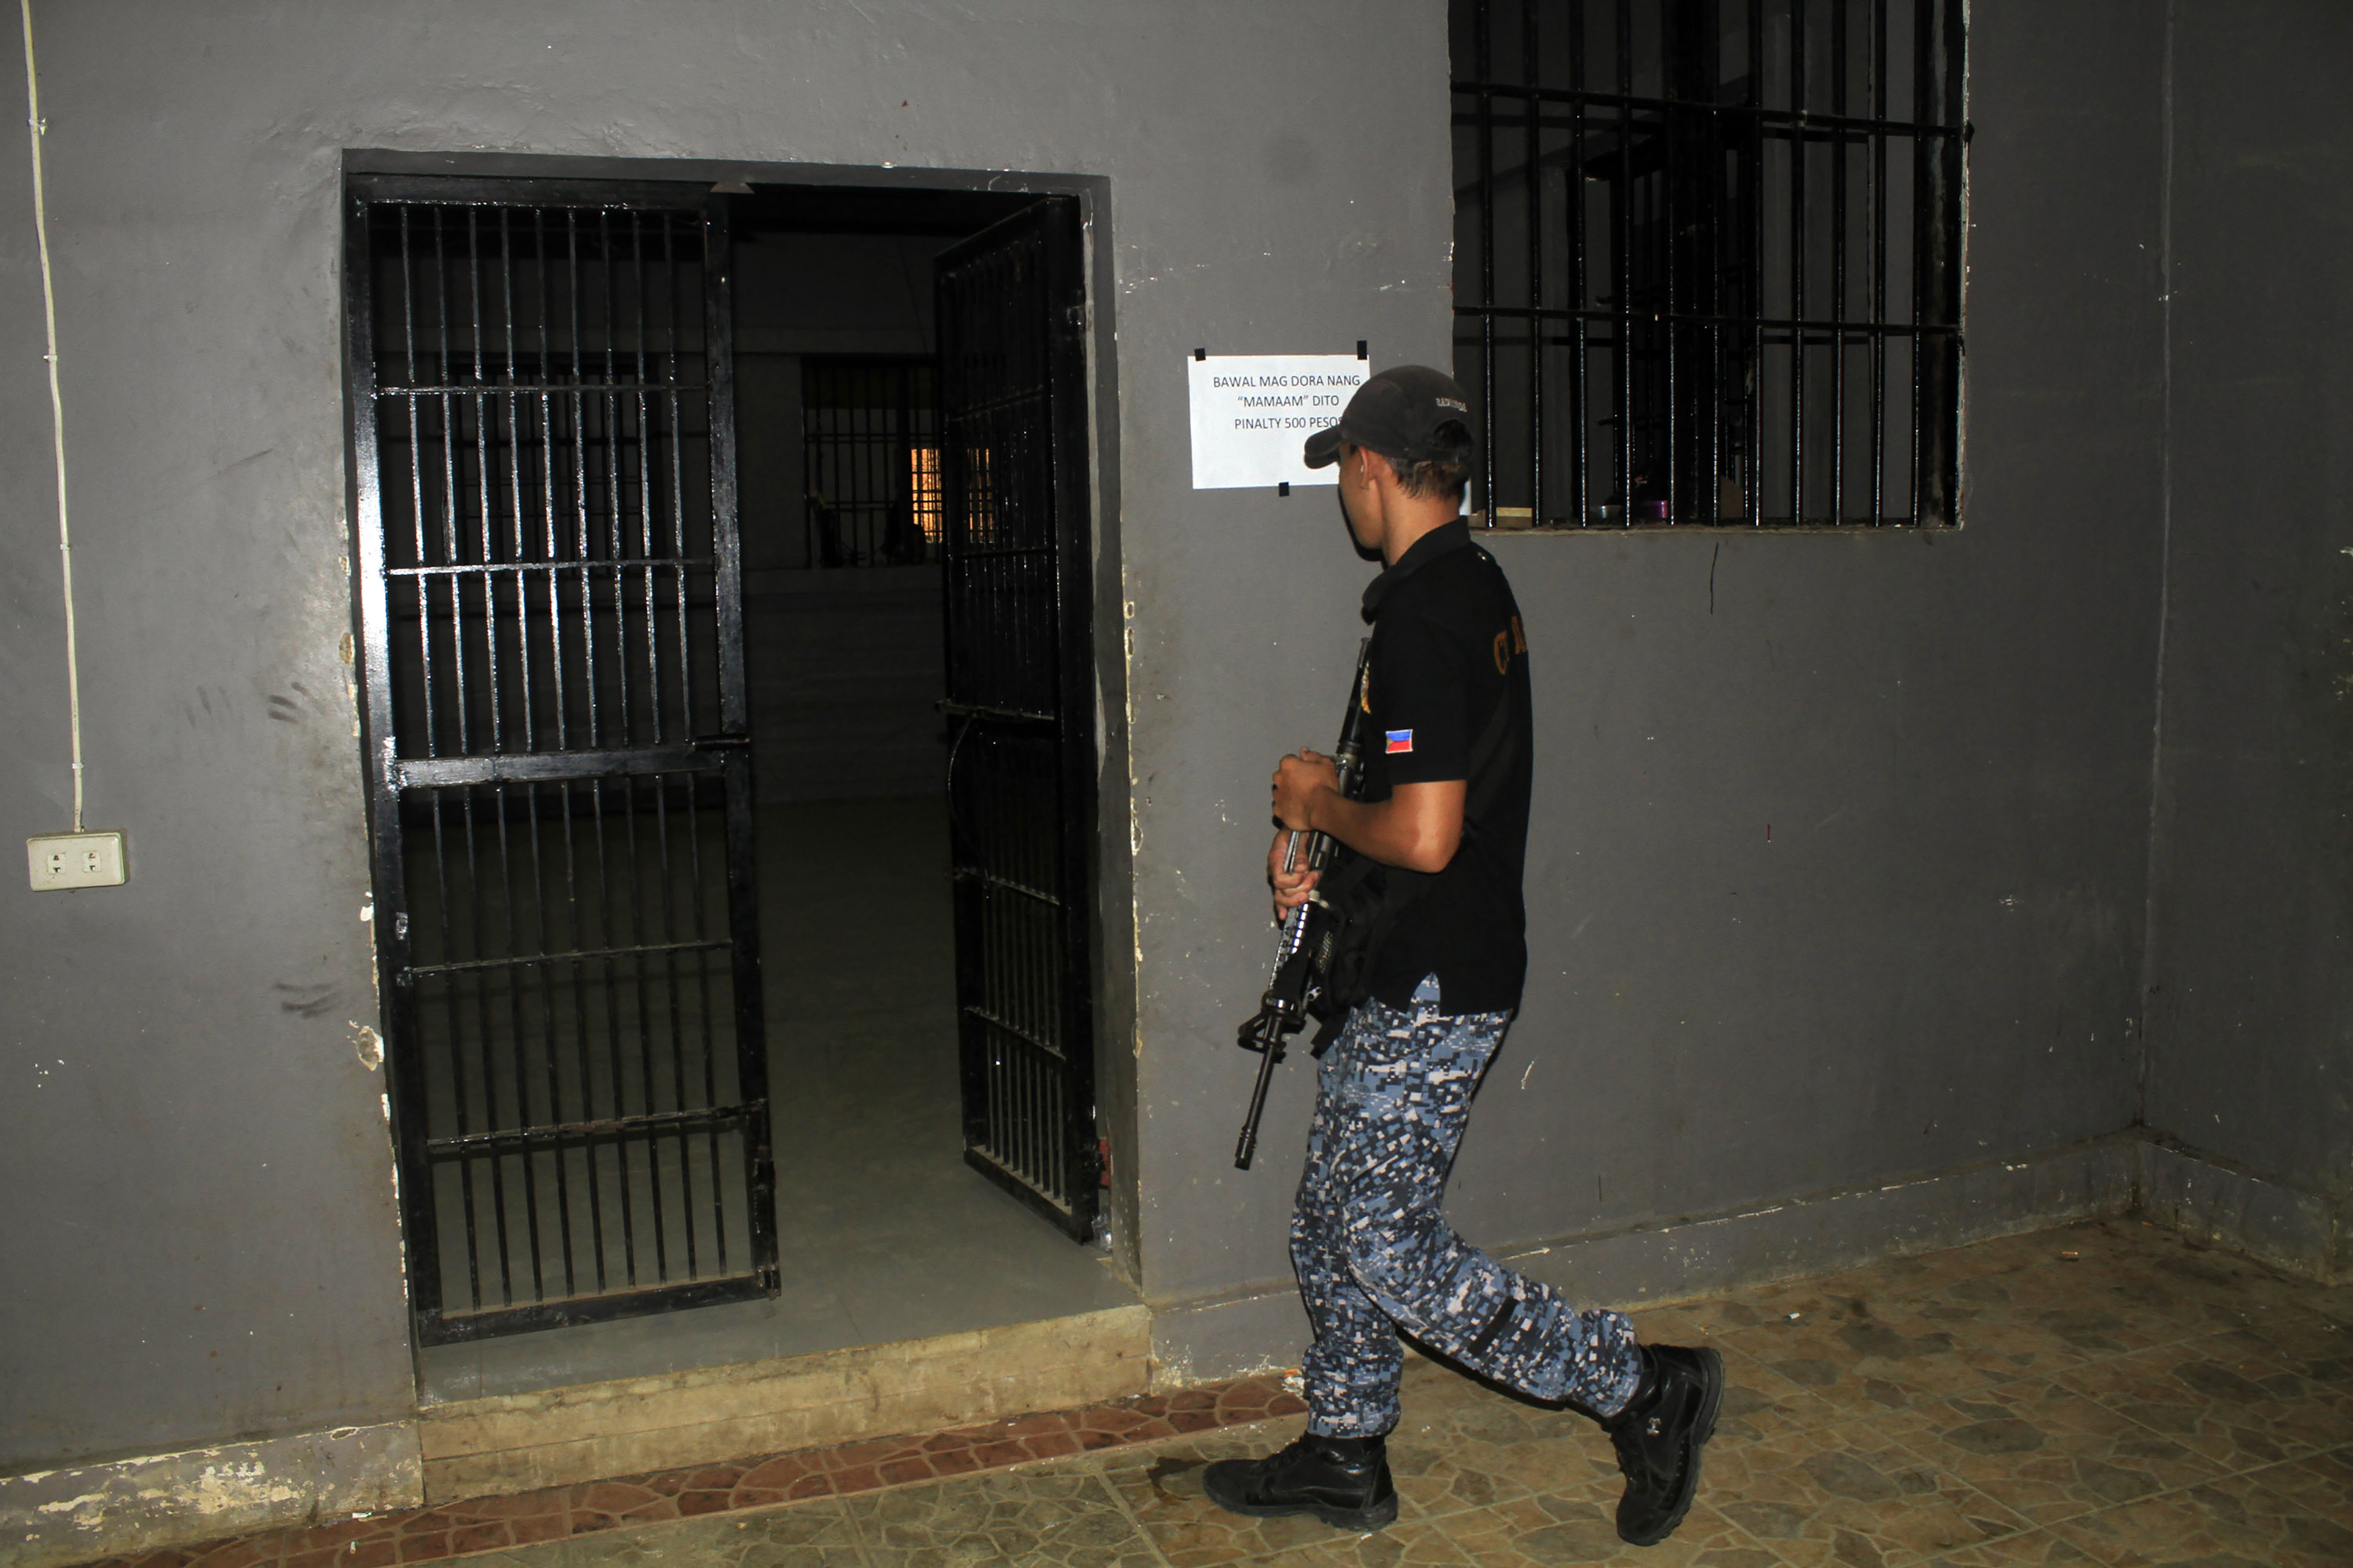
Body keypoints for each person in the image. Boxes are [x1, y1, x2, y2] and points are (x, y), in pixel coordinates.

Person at [1201, 366, 1724, 1547]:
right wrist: (1328, 846)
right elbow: (1438, 796)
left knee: (1382, 1241)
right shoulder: (1467, 585)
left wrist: (1320, 804)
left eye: (1347, 469)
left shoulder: (1425, 617)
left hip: (1435, 984)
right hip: (1413, 958)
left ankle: (1642, 1387)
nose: (1344, 489)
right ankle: (1344, 1450)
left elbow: (1429, 834)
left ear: (1376, 473)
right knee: (1327, 1220)